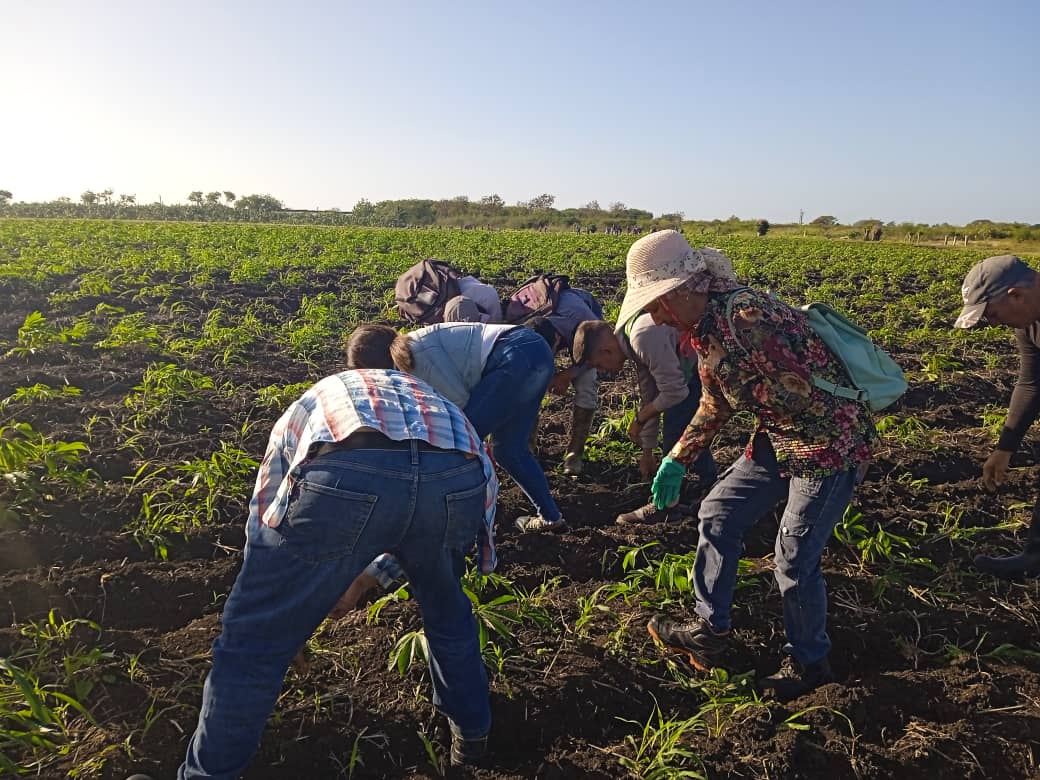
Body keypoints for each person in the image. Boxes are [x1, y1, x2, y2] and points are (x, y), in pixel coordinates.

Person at [177, 369, 499, 779]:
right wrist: (374, 575)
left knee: (250, 649)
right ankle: (472, 736)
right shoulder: (432, 396)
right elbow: (426, 499)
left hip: (349, 464)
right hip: (456, 473)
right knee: (446, 610)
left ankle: (207, 774)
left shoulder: (318, 398)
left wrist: (274, 608)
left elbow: (269, 505)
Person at [617, 230, 875, 701]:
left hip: (828, 444)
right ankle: (709, 631)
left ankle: (810, 662)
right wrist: (678, 457)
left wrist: (743, 394)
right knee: (716, 513)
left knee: (794, 556)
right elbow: (716, 404)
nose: (654, 315)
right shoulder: (705, 331)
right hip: (780, 439)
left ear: (685, 289)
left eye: (656, 303)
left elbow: (795, 392)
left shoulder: (747, 316)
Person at [346, 322, 565, 533]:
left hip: (517, 354)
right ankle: (550, 517)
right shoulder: (409, 354)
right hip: (534, 354)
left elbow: (459, 405)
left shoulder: (418, 355)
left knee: (459, 442)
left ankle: (448, 523)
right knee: (509, 450)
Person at [573, 315, 718, 524]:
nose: (603, 371)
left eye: (599, 365)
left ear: (606, 351)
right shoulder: (631, 344)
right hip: (689, 369)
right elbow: (650, 395)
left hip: (704, 362)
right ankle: (707, 493)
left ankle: (668, 507)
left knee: (676, 433)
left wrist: (640, 419)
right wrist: (647, 451)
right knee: (681, 427)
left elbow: (675, 392)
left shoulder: (642, 338)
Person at [953, 254, 1040, 578]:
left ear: (1015, 294)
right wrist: (1005, 448)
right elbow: (1031, 383)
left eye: (991, 315)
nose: (993, 324)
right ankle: (1035, 556)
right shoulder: (1029, 325)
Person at [527, 286, 605, 476]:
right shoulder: (522, 319)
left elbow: (595, 353)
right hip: (541, 323)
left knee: (586, 384)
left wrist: (567, 374)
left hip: (585, 329)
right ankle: (526, 447)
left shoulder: (583, 318)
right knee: (529, 385)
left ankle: (574, 454)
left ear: (556, 339)